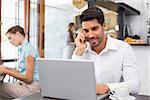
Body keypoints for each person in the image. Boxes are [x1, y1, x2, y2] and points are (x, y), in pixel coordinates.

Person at [72, 7, 140, 95]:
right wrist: (79, 51)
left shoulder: (124, 48)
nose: (90, 35)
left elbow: (134, 86)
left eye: (94, 29)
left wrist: (107, 87)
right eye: (86, 31)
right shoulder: (81, 50)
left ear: (104, 26)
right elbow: (73, 82)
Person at [0, 25, 40, 99]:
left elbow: (29, 78)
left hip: (31, 89)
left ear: (18, 34)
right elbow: (22, 73)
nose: (10, 41)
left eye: (10, 38)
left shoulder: (29, 50)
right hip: (25, 85)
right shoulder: (24, 48)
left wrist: (6, 71)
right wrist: (7, 68)